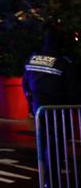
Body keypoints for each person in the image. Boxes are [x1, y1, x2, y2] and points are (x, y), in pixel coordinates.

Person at [22, 21, 81, 188]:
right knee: (55, 149)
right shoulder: (64, 62)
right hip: (58, 115)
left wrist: (31, 103)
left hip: (39, 112)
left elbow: (25, 83)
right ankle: (51, 181)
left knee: (44, 147)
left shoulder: (33, 57)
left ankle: (46, 179)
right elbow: (74, 91)